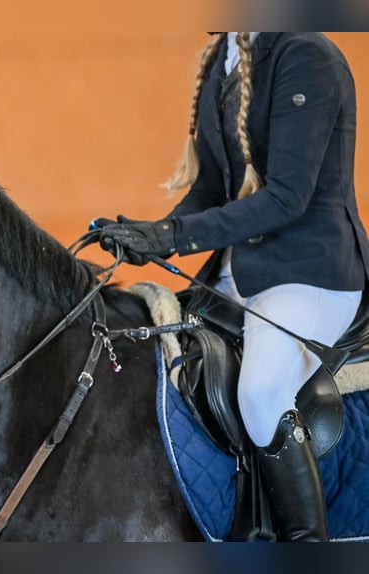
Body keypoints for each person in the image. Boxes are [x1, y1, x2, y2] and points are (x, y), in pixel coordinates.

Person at [95, 32, 369, 541]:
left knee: (263, 391)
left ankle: (307, 545)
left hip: (310, 273)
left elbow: (287, 197)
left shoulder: (305, 54)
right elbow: (207, 191)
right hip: (237, 274)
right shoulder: (222, 59)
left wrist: (175, 236)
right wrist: (150, 236)